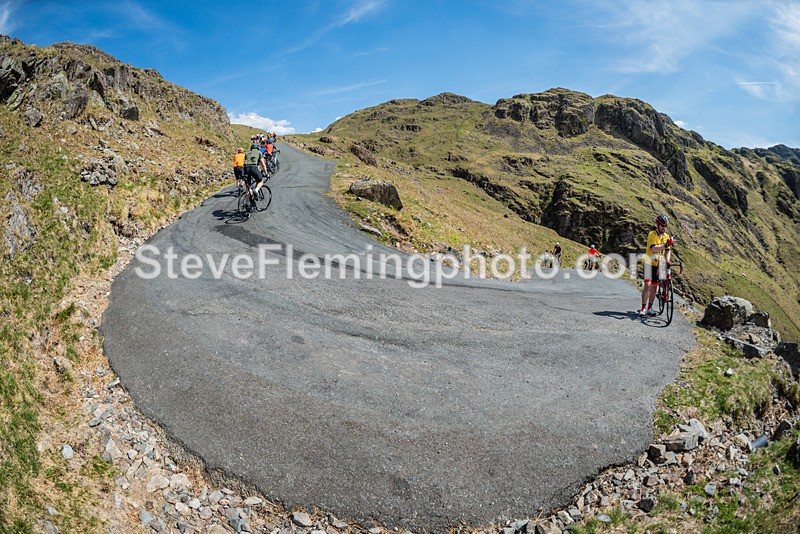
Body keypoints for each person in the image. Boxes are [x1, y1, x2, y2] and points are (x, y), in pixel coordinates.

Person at [640, 214, 673, 317]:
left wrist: (667, 260)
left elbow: (668, 251)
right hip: (650, 263)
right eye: (662, 225)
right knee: (647, 286)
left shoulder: (666, 236)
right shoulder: (652, 235)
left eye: (665, 226)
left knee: (655, 287)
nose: (664, 228)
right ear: (657, 225)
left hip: (661, 264)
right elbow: (654, 249)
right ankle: (643, 308)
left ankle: (650, 307)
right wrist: (665, 245)